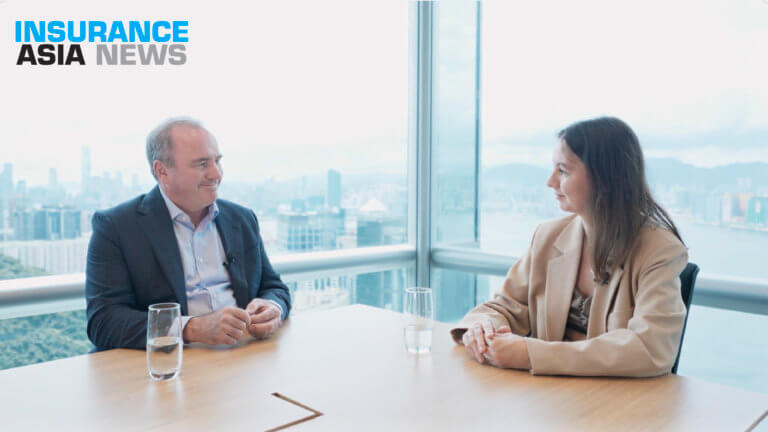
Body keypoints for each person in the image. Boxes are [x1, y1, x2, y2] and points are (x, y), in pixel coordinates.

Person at [451, 117, 688, 377]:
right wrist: (482, 327)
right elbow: (505, 306)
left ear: (604, 178)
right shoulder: (548, 237)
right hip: (551, 394)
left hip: (618, 398)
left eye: (563, 171)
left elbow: (650, 347)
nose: (550, 181)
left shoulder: (659, 250)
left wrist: (530, 354)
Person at [86, 117, 291, 350]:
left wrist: (273, 307)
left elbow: (274, 287)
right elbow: (104, 322)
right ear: (162, 171)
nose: (216, 174)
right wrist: (191, 328)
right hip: (170, 362)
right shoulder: (116, 226)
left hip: (244, 354)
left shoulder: (241, 219)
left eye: (217, 161)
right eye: (202, 164)